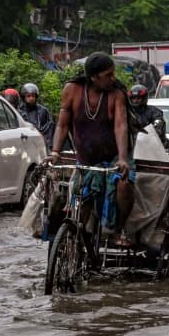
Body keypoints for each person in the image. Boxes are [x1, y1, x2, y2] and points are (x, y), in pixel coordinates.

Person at [46, 52, 135, 247]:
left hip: (114, 158)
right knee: (78, 199)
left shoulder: (116, 94)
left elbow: (121, 126)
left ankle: (119, 228)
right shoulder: (72, 90)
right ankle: (75, 239)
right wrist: (55, 152)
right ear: (94, 77)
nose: (113, 78)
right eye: (108, 75)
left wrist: (122, 159)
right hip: (86, 160)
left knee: (123, 184)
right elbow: (62, 124)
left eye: (113, 74)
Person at [127, 84, 169, 149]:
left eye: (139, 98)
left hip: (153, 146)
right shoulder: (127, 112)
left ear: (144, 98)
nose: (136, 100)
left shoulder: (154, 111)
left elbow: (158, 122)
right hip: (132, 146)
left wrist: (157, 126)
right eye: (134, 98)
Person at [18, 83, 55, 150]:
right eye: (28, 96)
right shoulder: (19, 112)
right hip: (25, 144)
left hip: (42, 143)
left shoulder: (43, 111)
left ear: (36, 97)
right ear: (24, 97)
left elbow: (49, 127)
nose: (31, 98)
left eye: (33, 96)